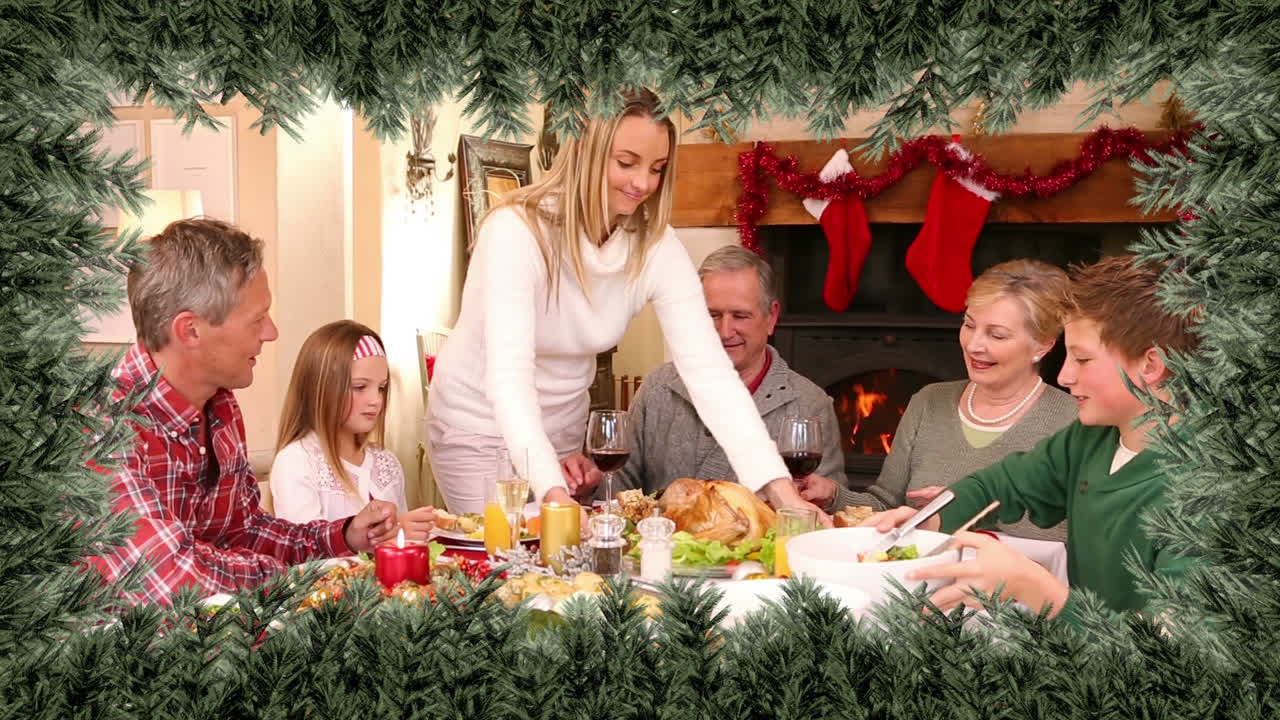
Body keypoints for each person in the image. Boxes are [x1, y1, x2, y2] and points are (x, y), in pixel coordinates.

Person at [425, 88, 825, 522]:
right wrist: (553, 494)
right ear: (588, 153)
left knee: (562, 569)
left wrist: (785, 496)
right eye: (626, 162)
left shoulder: (655, 245)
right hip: (479, 425)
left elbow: (711, 375)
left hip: (559, 431)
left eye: (656, 168)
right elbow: (509, 378)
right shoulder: (516, 231)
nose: (643, 184)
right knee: (507, 562)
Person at [864, 255, 1200, 618]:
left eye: (1082, 360)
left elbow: (1171, 656)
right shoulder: (1091, 440)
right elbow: (999, 486)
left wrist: (1035, 589)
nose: (1066, 376)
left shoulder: (1207, 491)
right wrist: (926, 520)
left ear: (1150, 365)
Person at [92, 218, 398, 606]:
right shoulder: (105, 425)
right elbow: (171, 578)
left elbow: (244, 530)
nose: (271, 332)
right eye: (258, 318)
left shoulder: (221, 406)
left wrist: (343, 536)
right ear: (190, 330)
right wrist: (307, 578)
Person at [804, 259, 1077, 542]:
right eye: (969, 325)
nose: (973, 345)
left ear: (1043, 344)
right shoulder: (929, 402)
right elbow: (887, 504)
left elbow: (1066, 535)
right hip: (916, 578)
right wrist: (833, 495)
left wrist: (956, 511)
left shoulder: (1072, 420)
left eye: (996, 335)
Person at [560, 245, 848, 499]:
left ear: (771, 317)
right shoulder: (658, 387)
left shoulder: (810, 402)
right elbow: (620, 490)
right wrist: (591, 482)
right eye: (712, 315)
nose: (724, 331)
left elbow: (825, 507)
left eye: (740, 316)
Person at [269, 321, 437, 540]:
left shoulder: (386, 463)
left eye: (382, 388)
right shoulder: (297, 462)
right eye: (359, 387)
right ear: (320, 388)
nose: (376, 400)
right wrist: (393, 532)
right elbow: (307, 556)